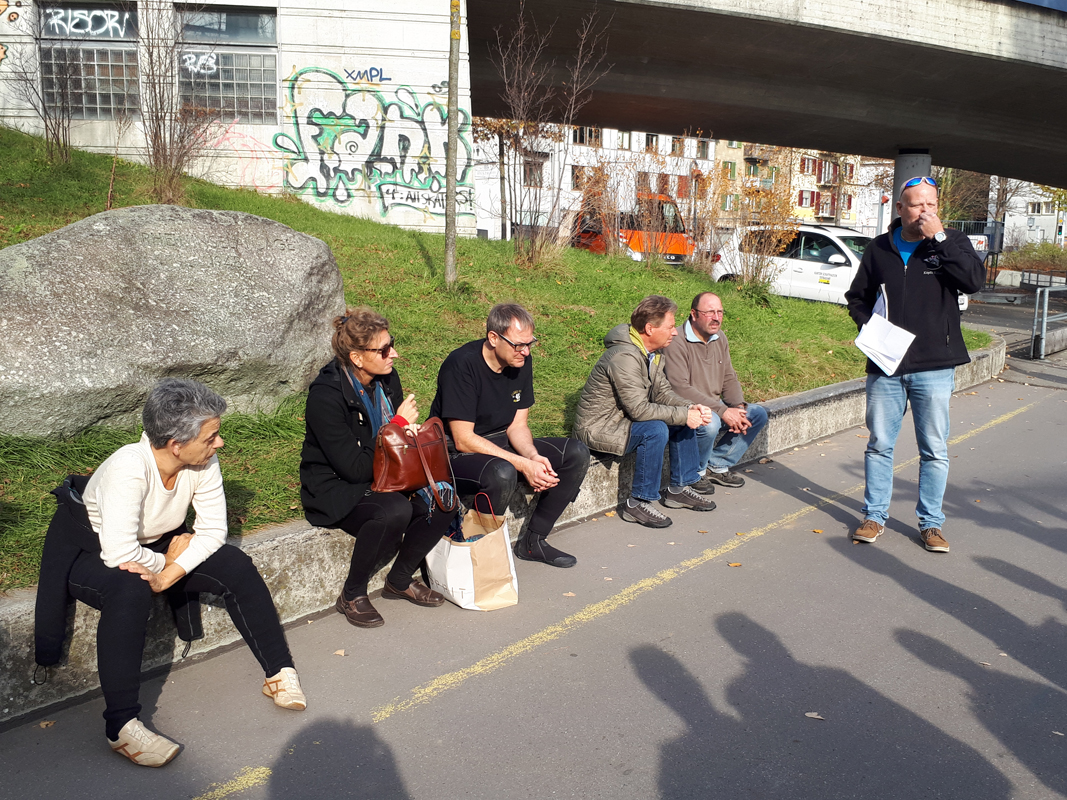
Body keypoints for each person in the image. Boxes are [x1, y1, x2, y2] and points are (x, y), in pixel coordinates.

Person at [35, 378, 304, 768]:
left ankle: (279, 670)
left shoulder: (203, 461)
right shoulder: (130, 467)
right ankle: (121, 726)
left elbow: (213, 532)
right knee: (129, 590)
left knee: (236, 565)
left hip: (157, 547)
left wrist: (169, 572)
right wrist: (167, 566)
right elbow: (119, 552)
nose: (219, 443)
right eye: (211, 437)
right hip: (93, 553)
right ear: (176, 444)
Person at [844, 175, 984, 553]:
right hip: (886, 366)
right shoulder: (879, 248)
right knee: (879, 445)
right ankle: (874, 516)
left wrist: (939, 238)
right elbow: (857, 297)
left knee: (934, 449)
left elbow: (973, 281)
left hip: (934, 365)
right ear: (900, 208)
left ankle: (931, 523)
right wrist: (870, 329)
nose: (926, 211)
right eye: (918, 204)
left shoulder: (952, 241)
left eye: (932, 204)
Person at [301, 308, 456, 628]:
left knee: (444, 498)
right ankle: (352, 593)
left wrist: (407, 433)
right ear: (357, 358)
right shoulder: (325, 397)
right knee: (394, 510)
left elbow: (393, 443)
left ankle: (399, 580)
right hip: (336, 485)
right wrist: (396, 424)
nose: (393, 354)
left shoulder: (386, 378)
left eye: (392, 344)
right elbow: (355, 469)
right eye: (384, 350)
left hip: (388, 472)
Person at [429, 303, 590, 568]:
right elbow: (463, 439)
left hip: (501, 442)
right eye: (519, 345)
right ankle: (476, 557)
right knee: (502, 473)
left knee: (575, 453)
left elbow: (517, 425)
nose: (526, 351)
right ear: (493, 338)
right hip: (456, 454)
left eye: (530, 343)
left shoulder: (521, 361)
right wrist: (522, 464)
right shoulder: (461, 364)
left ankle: (534, 541)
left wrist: (533, 457)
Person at [573, 295, 718, 529]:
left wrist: (690, 408)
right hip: (600, 429)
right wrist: (684, 414)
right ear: (650, 329)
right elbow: (639, 410)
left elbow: (663, 393)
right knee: (656, 429)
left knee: (680, 419)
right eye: (670, 327)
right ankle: (638, 502)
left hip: (624, 421)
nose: (675, 332)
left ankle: (679, 489)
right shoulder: (624, 357)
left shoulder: (652, 353)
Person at [662, 292, 768, 489]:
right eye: (710, 312)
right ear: (694, 314)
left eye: (720, 312)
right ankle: (695, 473)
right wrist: (723, 411)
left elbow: (728, 376)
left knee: (756, 414)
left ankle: (717, 464)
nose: (716, 318)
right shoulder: (676, 341)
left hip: (714, 405)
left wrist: (738, 407)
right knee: (711, 423)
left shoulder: (720, 338)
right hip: (686, 406)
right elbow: (679, 388)